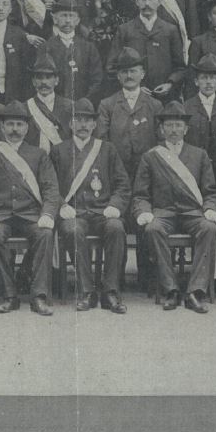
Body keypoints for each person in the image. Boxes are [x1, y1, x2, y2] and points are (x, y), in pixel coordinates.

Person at [0, 101, 62, 315]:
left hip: (30, 214)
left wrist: (48, 213)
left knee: (45, 234)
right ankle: (9, 295)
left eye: (19, 125)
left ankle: (38, 296)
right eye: (10, 124)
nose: (15, 129)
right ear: (2, 127)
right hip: (1, 215)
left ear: (27, 128)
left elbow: (51, 188)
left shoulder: (39, 155)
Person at [131, 101, 216, 313]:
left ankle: (195, 291)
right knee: (152, 229)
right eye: (169, 125)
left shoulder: (199, 155)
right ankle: (170, 289)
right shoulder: (151, 156)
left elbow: (211, 191)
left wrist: (210, 208)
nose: (174, 130)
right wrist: (144, 211)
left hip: (192, 212)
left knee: (209, 228)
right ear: (162, 129)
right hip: (164, 213)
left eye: (178, 125)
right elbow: (140, 194)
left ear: (186, 129)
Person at [52, 98, 130, 313]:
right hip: (74, 212)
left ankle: (110, 291)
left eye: (88, 121)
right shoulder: (58, 151)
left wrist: (115, 205)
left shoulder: (107, 149)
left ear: (95, 124)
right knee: (72, 230)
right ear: (71, 124)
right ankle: (87, 291)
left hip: (102, 211)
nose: (83, 125)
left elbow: (123, 184)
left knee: (116, 227)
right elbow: (49, 186)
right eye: (78, 120)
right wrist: (61, 205)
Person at [109, 0, 186, 100]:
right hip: (133, 98)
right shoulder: (125, 30)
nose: (147, 3)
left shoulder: (170, 30)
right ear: (136, 2)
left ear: (159, 1)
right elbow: (112, 67)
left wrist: (170, 84)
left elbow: (180, 68)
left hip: (164, 98)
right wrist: (134, 86)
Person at [96, 47, 164, 182]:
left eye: (133, 71)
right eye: (124, 72)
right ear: (118, 76)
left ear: (142, 74)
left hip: (148, 171)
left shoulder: (155, 105)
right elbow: (102, 140)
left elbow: (162, 140)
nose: (129, 76)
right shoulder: (107, 105)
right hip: (117, 170)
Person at [43, 0, 103, 104]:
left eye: (71, 16)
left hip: (82, 107)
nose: (67, 20)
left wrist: (84, 102)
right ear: (55, 19)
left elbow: (97, 80)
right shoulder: (46, 47)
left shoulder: (88, 48)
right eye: (63, 15)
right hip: (54, 106)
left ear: (77, 20)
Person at [24, 50, 74, 151]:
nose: (44, 82)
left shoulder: (70, 106)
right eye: (39, 77)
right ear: (33, 81)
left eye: (48, 77)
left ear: (56, 80)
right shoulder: (25, 107)